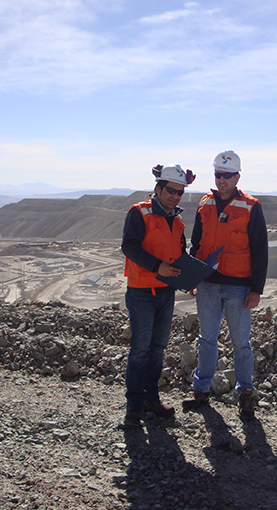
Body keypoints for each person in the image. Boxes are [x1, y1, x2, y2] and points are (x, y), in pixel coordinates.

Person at [183, 150, 268, 420]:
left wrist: (256, 289)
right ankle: (201, 392)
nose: (222, 180)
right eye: (219, 174)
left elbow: (260, 250)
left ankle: (245, 395)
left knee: (241, 343)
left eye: (228, 176)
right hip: (207, 284)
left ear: (237, 177)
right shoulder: (205, 204)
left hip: (238, 287)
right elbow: (196, 244)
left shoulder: (251, 206)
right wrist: (192, 277)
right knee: (206, 339)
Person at [121, 164, 196, 429]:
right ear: (158, 189)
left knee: (157, 349)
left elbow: (179, 255)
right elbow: (129, 247)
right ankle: (133, 408)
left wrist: (190, 278)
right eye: (172, 191)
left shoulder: (177, 220)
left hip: (166, 292)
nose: (176, 196)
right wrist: (157, 266)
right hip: (142, 292)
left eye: (180, 192)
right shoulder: (139, 213)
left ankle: (151, 399)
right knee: (140, 350)